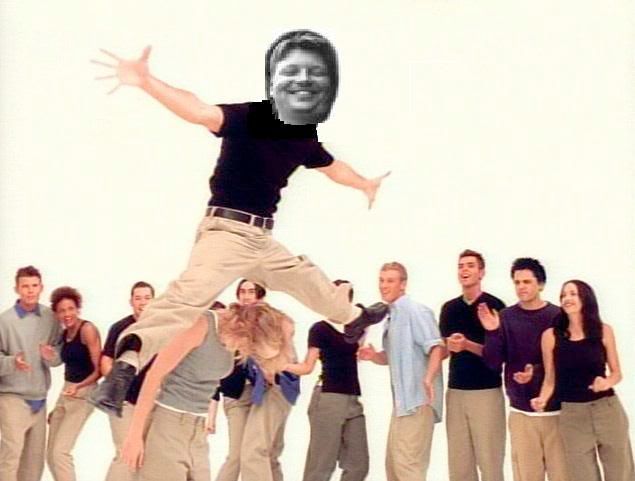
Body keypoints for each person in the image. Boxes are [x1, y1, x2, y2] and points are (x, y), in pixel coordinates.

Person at [90, 29, 389, 415]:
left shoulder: (303, 137)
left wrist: (365, 184)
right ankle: (125, 368)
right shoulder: (251, 116)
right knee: (185, 299)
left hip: (261, 239)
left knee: (304, 276)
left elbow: (334, 168)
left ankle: (352, 318)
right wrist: (147, 82)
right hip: (226, 235)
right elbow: (198, 110)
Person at [121, 303, 293, 481]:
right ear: (244, 329)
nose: (249, 350)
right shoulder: (201, 325)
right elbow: (154, 375)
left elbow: (282, 331)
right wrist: (134, 435)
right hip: (168, 423)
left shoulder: (233, 339)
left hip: (198, 430)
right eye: (252, 345)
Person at [531, 280, 635, 481]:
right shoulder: (550, 336)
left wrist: (606, 382)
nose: (567, 298)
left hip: (607, 410)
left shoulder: (604, 331)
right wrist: (542, 399)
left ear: (585, 298)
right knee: (581, 474)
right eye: (563, 295)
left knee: (620, 472)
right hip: (572, 415)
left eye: (573, 294)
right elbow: (550, 379)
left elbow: (617, 373)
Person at [479, 257, 568, 481]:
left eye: (527, 282)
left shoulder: (558, 316)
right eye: (517, 282)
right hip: (521, 412)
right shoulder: (506, 317)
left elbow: (566, 362)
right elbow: (493, 363)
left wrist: (535, 373)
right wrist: (492, 332)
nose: (521, 287)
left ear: (541, 284)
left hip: (558, 411)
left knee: (563, 475)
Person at [358, 262, 444, 481]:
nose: (384, 285)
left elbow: (436, 347)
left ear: (403, 284)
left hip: (418, 401)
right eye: (381, 280)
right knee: (394, 468)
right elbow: (392, 357)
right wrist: (373, 356)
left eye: (390, 281)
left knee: (408, 468)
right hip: (402, 406)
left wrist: (428, 378)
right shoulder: (392, 317)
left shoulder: (416, 311)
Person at [285, 279, 369, 481]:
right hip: (328, 397)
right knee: (321, 465)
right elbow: (307, 366)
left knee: (358, 465)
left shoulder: (355, 329)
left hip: (352, 398)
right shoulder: (320, 329)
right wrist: (280, 365)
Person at [212, 279, 294, 481]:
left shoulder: (271, 319)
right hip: (237, 394)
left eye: (251, 291)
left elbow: (283, 350)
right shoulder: (231, 319)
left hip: (267, 392)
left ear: (260, 295)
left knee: (268, 452)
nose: (246, 296)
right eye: (242, 291)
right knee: (239, 455)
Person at [439, 249, 506, 481]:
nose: (464, 270)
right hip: (456, 392)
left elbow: (499, 355)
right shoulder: (449, 309)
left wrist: (467, 345)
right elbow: (444, 350)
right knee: (459, 464)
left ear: (481, 272)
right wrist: (449, 347)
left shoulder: (495, 305)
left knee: (490, 461)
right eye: (461, 266)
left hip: (486, 392)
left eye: (470, 265)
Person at [0, 265, 62, 481]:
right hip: (12, 398)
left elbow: (59, 354)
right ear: (16, 289)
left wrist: (51, 356)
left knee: (34, 463)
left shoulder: (50, 317)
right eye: (25, 286)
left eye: (34, 285)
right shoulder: (4, 321)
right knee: (11, 457)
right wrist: (12, 362)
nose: (30, 290)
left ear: (41, 288)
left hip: (40, 399)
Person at [46, 286, 102, 481]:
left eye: (71, 308)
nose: (67, 314)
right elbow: (63, 365)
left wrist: (78, 386)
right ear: (57, 314)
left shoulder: (87, 330)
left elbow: (99, 370)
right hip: (67, 392)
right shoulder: (65, 334)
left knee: (60, 453)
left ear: (78, 308)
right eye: (62, 310)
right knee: (51, 455)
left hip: (85, 393)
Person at [101, 281, 155, 481]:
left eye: (147, 298)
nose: (143, 302)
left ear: (154, 301)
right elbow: (106, 360)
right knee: (125, 454)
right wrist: (117, 386)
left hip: (150, 401)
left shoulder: (162, 327)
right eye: (138, 298)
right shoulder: (120, 328)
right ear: (131, 301)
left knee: (146, 456)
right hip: (123, 402)